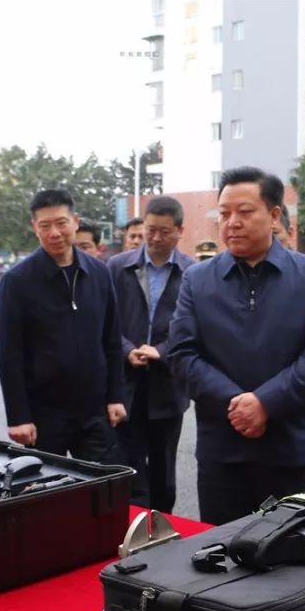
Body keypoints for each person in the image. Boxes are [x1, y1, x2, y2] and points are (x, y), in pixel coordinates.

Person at [169, 167, 305, 525]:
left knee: (296, 551)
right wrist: (237, 404)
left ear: (274, 215)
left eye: (244, 212)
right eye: (224, 213)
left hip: (292, 450)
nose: (232, 222)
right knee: (222, 551)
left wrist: (266, 402)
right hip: (223, 452)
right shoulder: (197, 280)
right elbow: (182, 355)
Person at [0, 188, 126, 460]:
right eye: (45, 226)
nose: (54, 233)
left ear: (75, 222)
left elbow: (111, 340)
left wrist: (115, 396)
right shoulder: (17, 281)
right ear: (34, 227)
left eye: (61, 223)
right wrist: (19, 417)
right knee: (47, 483)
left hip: (94, 411)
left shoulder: (99, 273)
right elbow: (10, 354)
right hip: (44, 414)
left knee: (101, 482)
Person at [107, 196, 194, 512]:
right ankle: (132, 527)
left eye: (164, 232)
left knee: (163, 473)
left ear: (180, 231)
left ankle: (162, 526)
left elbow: (194, 327)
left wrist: (161, 351)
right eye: (150, 229)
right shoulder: (118, 267)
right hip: (125, 385)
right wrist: (127, 349)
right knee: (128, 469)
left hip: (167, 385)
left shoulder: (193, 273)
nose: (155, 238)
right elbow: (106, 322)